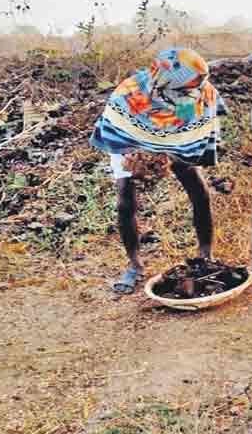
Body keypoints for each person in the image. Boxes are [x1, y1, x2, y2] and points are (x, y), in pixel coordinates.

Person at [88, 47, 225, 294]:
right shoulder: (129, 94)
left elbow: (184, 122)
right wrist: (139, 155)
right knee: (125, 202)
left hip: (171, 142)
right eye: (185, 88)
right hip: (131, 143)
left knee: (198, 190)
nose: (192, 92)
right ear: (162, 81)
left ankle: (205, 255)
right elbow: (117, 129)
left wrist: (169, 149)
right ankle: (135, 265)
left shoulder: (194, 92)